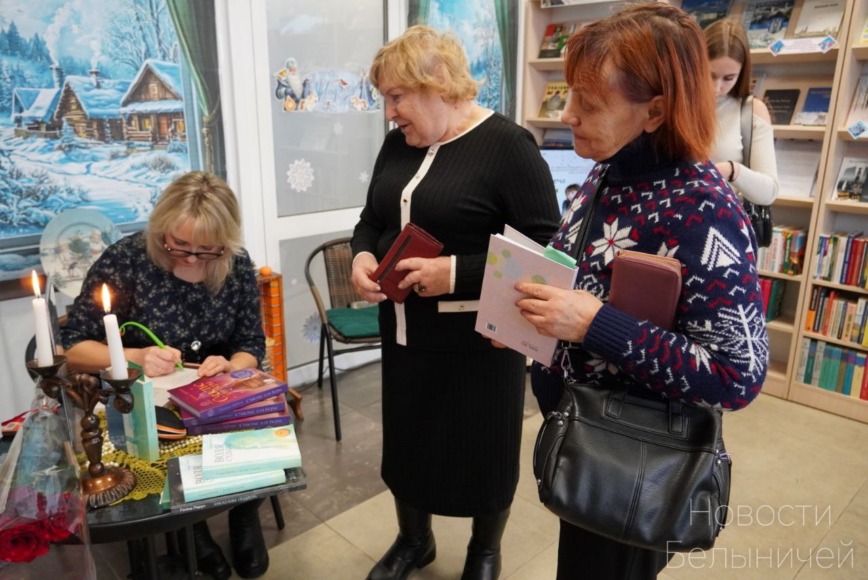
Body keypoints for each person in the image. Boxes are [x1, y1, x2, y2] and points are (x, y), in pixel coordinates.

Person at [519, 5, 769, 578]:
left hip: (636, 460)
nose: (568, 114)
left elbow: (737, 375)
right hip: (582, 435)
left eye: (589, 102)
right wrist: (527, 318)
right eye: (569, 95)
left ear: (654, 111)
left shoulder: (705, 210)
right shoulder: (607, 171)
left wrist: (593, 324)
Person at [350, 25, 560, 580]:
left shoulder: (509, 146)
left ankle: (484, 551)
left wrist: (458, 273)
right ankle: (413, 540)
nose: (389, 112)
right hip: (404, 336)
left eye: (397, 96)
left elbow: (546, 253)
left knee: (483, 454)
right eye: (385, 98)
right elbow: (371, 219)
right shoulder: (398, 144)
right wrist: (361, 255)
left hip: (479, 348)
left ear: (438, 80)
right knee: (409, 447)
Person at [60, 171, 270, 580]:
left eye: (206, 250)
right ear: (162, 229)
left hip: (215, 389)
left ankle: (245, 514)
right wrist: (134, 356)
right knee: (170, 447)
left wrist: (232, 365)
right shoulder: (128, 259)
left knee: (258, 429)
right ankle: (192, 526)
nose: (191, 259)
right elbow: (72, 347)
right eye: (179, 246)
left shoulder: (237, 264)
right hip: (147, 397)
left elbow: (250, 344)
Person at [705, 18, 779, 205]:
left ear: (741, 73)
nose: (716, 88)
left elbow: (769, 192)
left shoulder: (751, 110)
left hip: (722, 217)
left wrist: (732, 170)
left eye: (728, 78)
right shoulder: (673, 105)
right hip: (670, 217)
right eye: (710, 75)